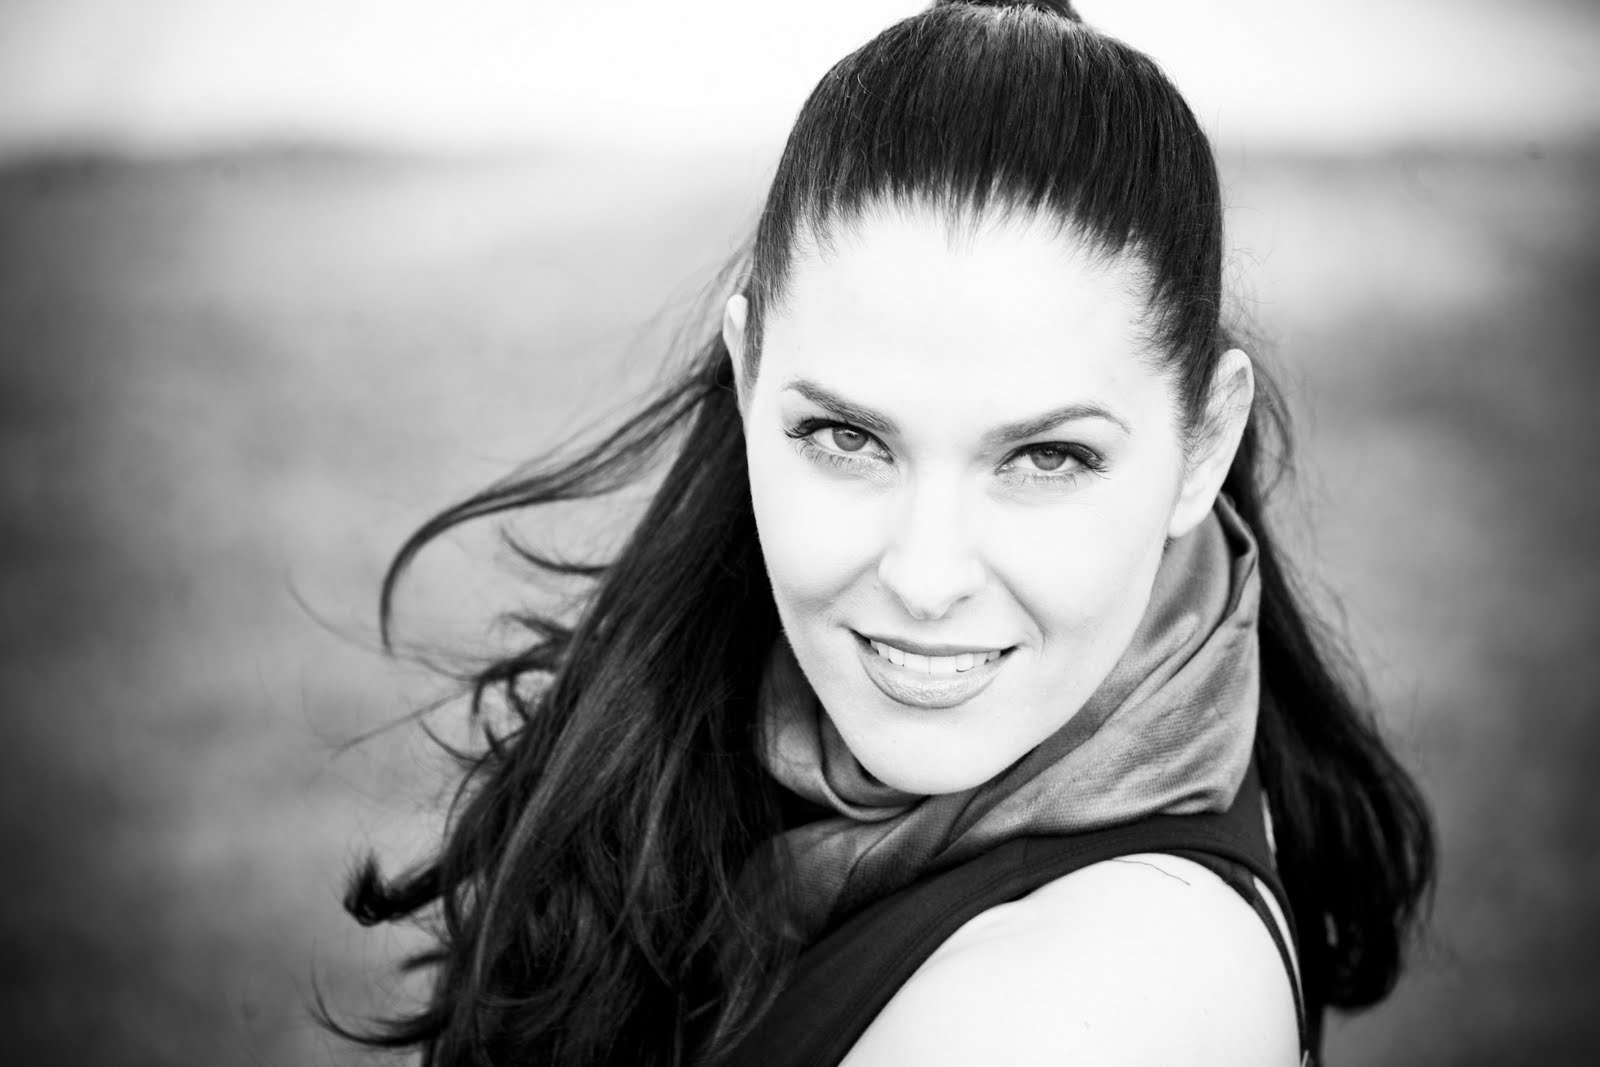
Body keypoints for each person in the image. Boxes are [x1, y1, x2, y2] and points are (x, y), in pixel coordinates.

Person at [326, 1, 1435, 1064]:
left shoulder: (1081, 1014)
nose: (925, 575)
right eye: (848, 438)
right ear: (749, 380)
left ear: (1202, 447)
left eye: (1047, 457)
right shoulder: (722, 733)